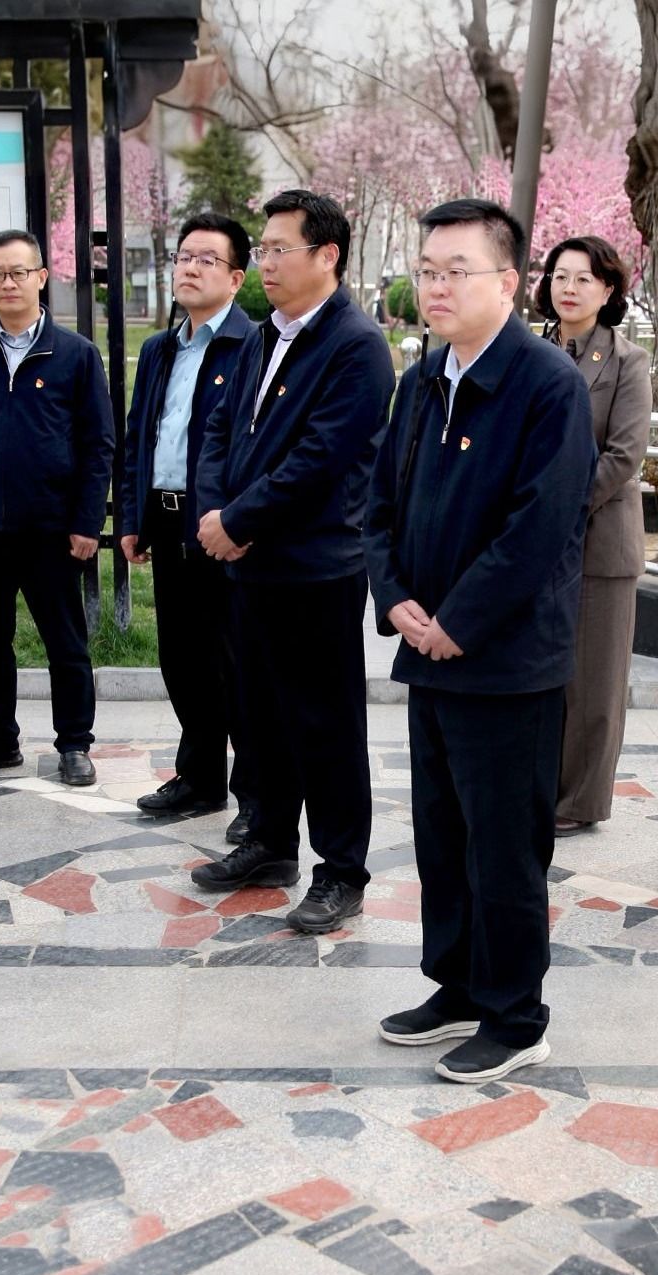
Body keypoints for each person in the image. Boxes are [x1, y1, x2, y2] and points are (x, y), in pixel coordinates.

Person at [365, 199, 595, 1083]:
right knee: (443, 832)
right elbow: (380, 502)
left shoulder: (547, 384)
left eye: (455, 271)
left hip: (507, 661)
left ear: (508, 281)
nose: (436, 287)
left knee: (504, 846)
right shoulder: (424, 378)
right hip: (427, 650)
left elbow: (540, 527)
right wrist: (395, 598)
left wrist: (458, 620)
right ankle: (458, 985)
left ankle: (515, 1014)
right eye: (427, 271)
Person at [191, 189, 397, 933]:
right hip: (249, 564)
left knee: (325, 726)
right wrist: (216, 515)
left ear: (327, 255)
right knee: (260, 715)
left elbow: (320, 459)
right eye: (263, 249)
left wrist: (238, 521)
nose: (265, 263)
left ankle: (341, 871)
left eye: (280, 249)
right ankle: (269, 842)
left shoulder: (356, 345)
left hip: (316, 567)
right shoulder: (260, 336)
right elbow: (219, 431)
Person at [0, 229, 115, 788]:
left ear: (41, 277)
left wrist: (87, 522)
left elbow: (99, 446)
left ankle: (74, 744)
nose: (7, 283)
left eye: (17, 272)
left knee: (66, 643)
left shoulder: (76, 355)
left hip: (51, 530)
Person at [117, 213, 257, 843]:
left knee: (235, 665)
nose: (190, 269)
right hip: (166, 518)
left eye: (207, 259)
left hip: (221, 527)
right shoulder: (159, 349)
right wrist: (132, 517)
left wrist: (237, 518)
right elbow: (137, 437)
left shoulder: (251, 347)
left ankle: (256, 796)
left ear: (236, 277)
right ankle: (199, 778)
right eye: (183, 257)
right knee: (181, 658)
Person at [536, 236, 653, 837]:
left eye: (584, 278)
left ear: (607, 290)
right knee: (542, 671)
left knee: (595, 681)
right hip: (534, 537)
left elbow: (625, 454)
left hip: (599, 538)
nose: (569, 288)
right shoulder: (533, 351)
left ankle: (580, 801)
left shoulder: (627, 361)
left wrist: (560, 506)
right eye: (560, 276)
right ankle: (538, 784)